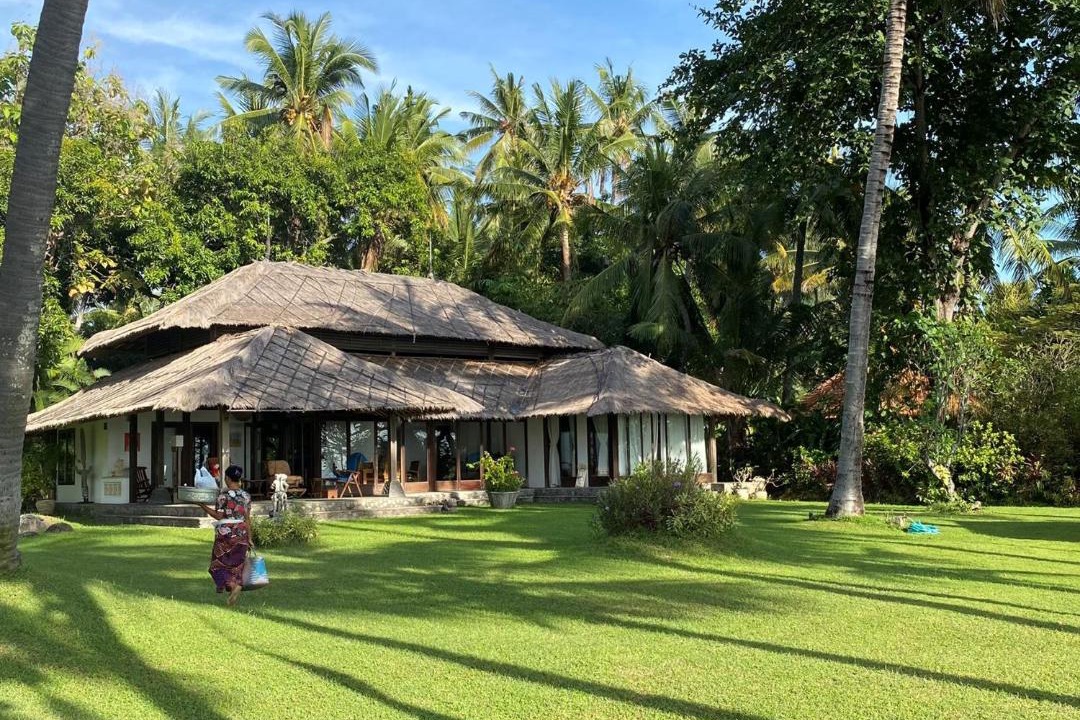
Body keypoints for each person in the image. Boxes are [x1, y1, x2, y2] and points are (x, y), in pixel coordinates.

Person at [198, 465, 252, 606]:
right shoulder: (246, 496)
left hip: (226, 534)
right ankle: (235, 586)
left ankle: (232, 586)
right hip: (242, 533)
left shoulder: (223, 496)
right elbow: (247, 518)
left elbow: (218, 515)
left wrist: (201, 505)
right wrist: (250, 538)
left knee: (217, 565)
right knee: (237, 564)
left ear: (227, 478)